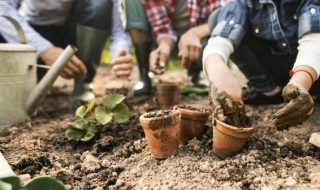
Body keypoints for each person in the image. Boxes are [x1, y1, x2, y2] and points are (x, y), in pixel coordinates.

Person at [203, 0, 320, 129]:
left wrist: (300, 83)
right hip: (278, 68)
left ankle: (310, 93)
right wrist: (219, 71)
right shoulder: (244, 3)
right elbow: (219, 42)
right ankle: (270, 91)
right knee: (217, 17)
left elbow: (314, 41)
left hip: (312, 71)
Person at [0, 0, 133, 103]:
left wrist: (120, 52)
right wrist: (44, 50)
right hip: (33, 32)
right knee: (26, 93)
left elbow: (118, 30)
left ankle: (83, 84)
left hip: (73, 32)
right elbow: (3, 8)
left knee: (99, 3)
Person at [125, 0, 228, 96]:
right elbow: (162, 27)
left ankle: (195, 73)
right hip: (168, 42)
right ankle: (144, 76)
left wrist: (195, 33)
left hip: (200, 42)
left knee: (222, 31)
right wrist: (164, 47)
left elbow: (224, 17)